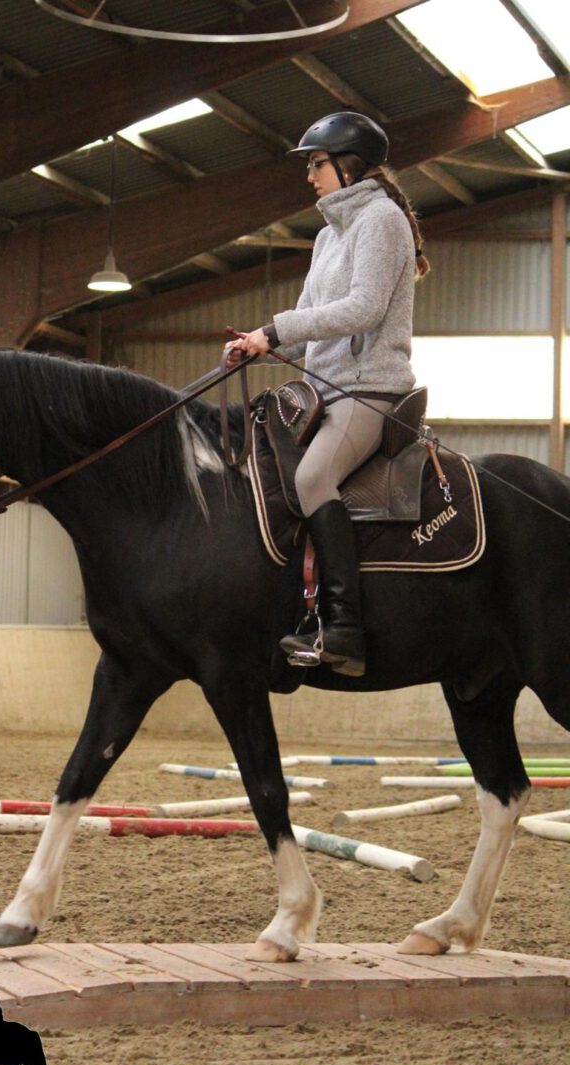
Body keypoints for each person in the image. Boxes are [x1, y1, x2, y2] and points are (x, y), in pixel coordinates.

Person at [226, 111, 430, 677]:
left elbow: (363, 309)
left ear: (347, 165)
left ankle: (344, 628)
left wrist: (276, 330)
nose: (310, 175)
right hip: (325, 390)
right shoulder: (326, 236)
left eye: (316, 163)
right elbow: (317, 316)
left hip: (370, 392)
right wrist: (261, 344)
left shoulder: (381, 221)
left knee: (312, 478)